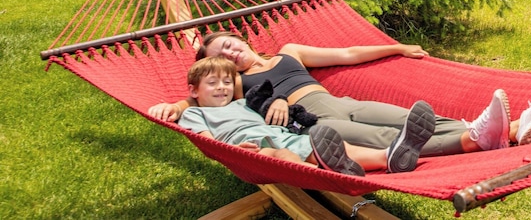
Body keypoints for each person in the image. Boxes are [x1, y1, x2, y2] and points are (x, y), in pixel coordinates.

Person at [149, 32, 531, 158]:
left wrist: (396, 47)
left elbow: (347, 53)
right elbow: (203, 98)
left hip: (341, 102)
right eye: (220, 55)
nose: (230, 52)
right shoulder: (236, 85)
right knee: (393, 140)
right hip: (312, 120)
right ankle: (488, 137)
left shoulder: (288, 53)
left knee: (409, 117)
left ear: (242, 39)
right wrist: (176, 105)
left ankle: (514, 128)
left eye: (230, 43)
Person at [178, 56, 436, 175]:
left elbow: (273, 106)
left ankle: (388, 157)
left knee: (330, 146)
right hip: (251, 150)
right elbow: (208, 144)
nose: (222, 88)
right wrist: (233, 151)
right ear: (194, 90)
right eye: (212, 83)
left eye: (226, 82)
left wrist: (280, 100)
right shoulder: (195, 113)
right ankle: (324, 176)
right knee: (281, 155)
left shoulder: (245, 102)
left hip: (286, 136)